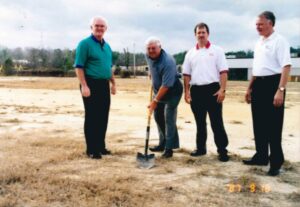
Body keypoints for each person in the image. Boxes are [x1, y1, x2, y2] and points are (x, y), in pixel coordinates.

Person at [243, 11, 291, 176]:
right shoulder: (259, 42)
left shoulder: (280, 41)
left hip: (273, 84)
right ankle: (261, 156)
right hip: (259, 85)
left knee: (273, 126)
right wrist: (249, 88)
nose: (257, 27)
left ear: (270, 23)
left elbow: (286, 67)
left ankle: (276, 162)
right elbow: (257, 68)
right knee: (259, 123)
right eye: (256, 24)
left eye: (260, 24)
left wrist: (280, 90)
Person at [182, 23, 229, 162]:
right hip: (196, 90)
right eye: (199, 32)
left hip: (213, 90)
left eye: (203, 32)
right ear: (195, 35)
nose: (201, 35)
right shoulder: (190, 53)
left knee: (217, 122)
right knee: (200, 123)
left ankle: (222, 151)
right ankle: (201, 149)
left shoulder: (217, 51)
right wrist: (186, 91)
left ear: (208, 34)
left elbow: (223, 72)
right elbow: (186, 74)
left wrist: (222, 89)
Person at [74, 16, 116, 159]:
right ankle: (91, 150)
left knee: (103, 116)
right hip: (90, 84)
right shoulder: (84, 44)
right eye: (96, 25)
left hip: (104, 84)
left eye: (102, 26)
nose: (99, 28)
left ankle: (100, 146)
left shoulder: (107, 46)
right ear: (91, 27)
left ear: (106, 29)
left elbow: (109, 68)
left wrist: (113, 83)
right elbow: (79, 67)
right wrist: (84, 86)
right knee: (92, 117)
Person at [145, 37, 183, 158]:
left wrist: (155, 101)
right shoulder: (148, 55)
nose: (151, 51)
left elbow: (166, 85)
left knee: (169, 118)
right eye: (149, 48)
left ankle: (169, 148)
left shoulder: (168, 61)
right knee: (157, 116)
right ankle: (162, 143)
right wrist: (151, 73)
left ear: (160, 48)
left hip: (173, 91)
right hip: (158, 90)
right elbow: (151, 65)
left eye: (154, 48)